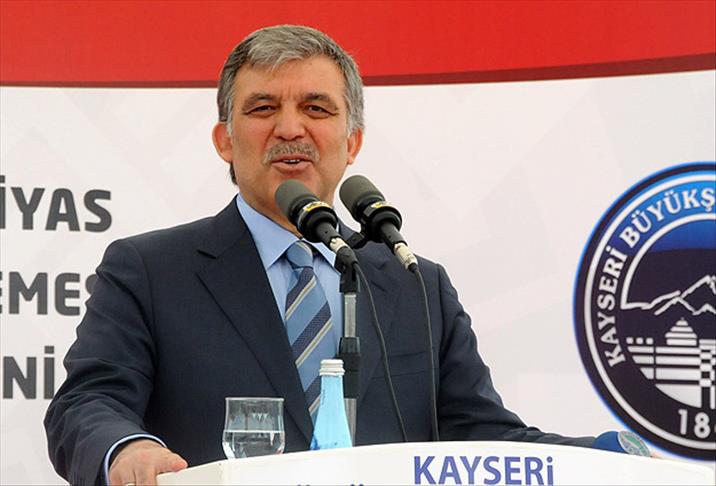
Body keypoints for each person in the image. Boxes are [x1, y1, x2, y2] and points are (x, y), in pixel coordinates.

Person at [45, 25, 597, 486]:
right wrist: (127, 449)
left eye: (316, 108)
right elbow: (86, 404)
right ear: (224, 141)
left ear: (352, 142)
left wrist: (609, 455)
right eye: (263, 108)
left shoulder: (416, 284)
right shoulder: (151, 270)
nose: (290, 128)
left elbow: (483, 437)